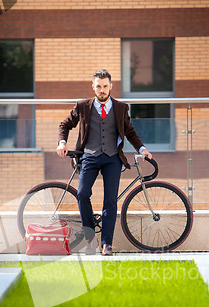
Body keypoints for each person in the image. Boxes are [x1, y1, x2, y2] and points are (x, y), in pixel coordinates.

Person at [57, 69, 152, 256]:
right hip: (89, 156)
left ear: (111, 86)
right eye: (98, 86)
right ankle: (90, 239)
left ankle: (106, 244)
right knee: (83, 194)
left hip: (112, 158)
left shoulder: (121, 108)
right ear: (93, 86)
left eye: (105, 86)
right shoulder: (82, 106)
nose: (102, 90)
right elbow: (65, 124)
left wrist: (142, 149)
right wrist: (62, 142)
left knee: (110, 200)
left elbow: (130, 132)